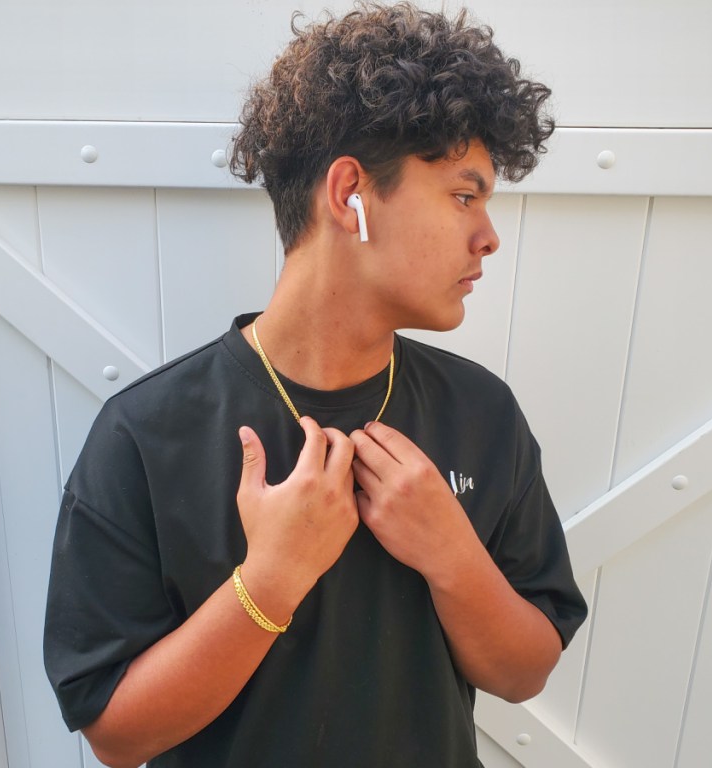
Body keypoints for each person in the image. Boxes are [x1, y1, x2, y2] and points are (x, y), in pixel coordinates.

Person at [44, 3, 588, 766]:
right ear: (349, 196)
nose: (488, 234)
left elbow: (525, 670)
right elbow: (116, 734)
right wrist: (269, 580)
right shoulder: (147, 434)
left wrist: (451, 553)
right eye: (465, 195)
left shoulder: (482, 414)